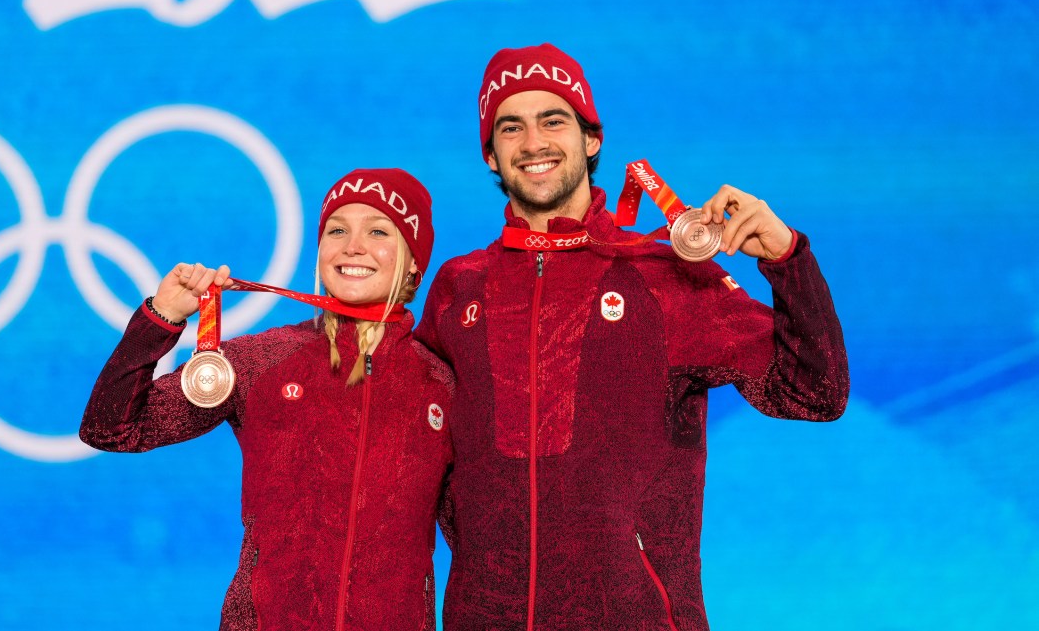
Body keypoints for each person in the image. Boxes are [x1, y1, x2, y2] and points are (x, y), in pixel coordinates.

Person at [414, 44, 850, 631]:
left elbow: (814, 392)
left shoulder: (663, 276)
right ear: (491, 155)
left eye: (554, 120)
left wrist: (785, 257)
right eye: (510, 127)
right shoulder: (458, 288)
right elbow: (408, 442)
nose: (533, 142)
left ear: (591, 139)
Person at [80, 169, 454, 631]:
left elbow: (479, 542)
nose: (352, 246)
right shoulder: (261, 361)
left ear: (414, 261)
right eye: (337, 230)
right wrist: (162, 317)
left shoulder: (442, 385)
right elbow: (112, 429)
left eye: (378, 231)